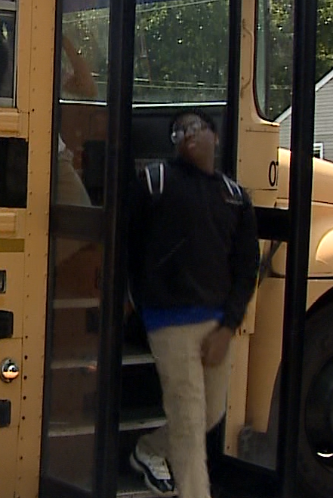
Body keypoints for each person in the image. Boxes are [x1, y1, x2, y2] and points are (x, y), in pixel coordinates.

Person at [128, 110, 259, 498]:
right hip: (167, 320)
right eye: (178, 132)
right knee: (187, 422)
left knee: (210, 414)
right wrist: (135, 300)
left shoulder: (235, 197)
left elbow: (246, 265)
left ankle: (149, 449)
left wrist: (228, 325)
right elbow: (130, 244)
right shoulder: (155, 182)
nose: (186, 135)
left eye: (195, 128)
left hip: (216, 323)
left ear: (215, 138)